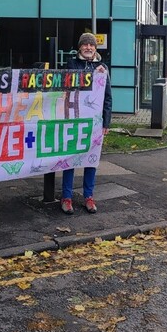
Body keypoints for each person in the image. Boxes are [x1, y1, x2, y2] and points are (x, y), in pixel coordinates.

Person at [61, 32, 112, 215]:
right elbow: (71, 83)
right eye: (85, 45)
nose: (88, 48)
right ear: (80, 47)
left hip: (95, 122)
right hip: (75, 119)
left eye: (91, 45)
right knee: (71, 158)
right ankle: (66, 197)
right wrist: (91, 73)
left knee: (91, 159)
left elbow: (107, 97)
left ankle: (88, 196)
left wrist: (106, 122)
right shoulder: (72, 63)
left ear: (95, 48)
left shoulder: (103, 67)